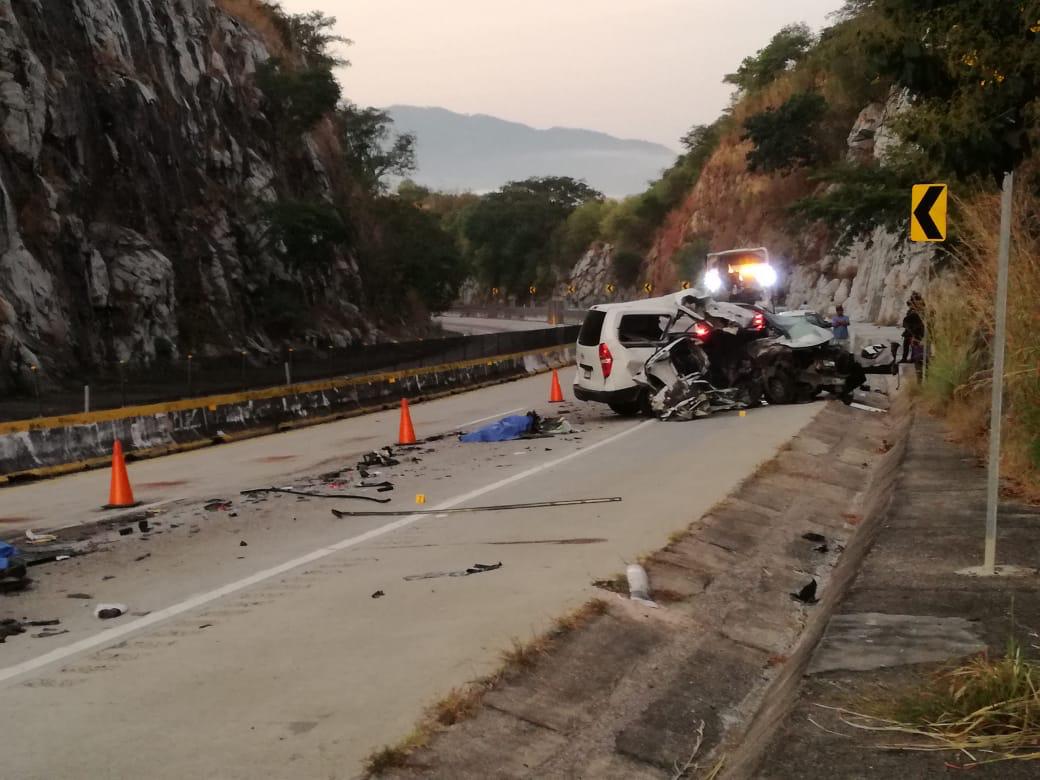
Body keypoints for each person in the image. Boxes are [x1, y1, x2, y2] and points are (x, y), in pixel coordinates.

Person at [901, 293, 926, 362]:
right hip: (914, 331)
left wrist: (914, 333)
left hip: (917, 332)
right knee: (906, 340)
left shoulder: (918, 310)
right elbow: (906, 322)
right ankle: (907, 358)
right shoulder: (913, 310)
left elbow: (906, 321)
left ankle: (911, 358)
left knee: (910, 342)